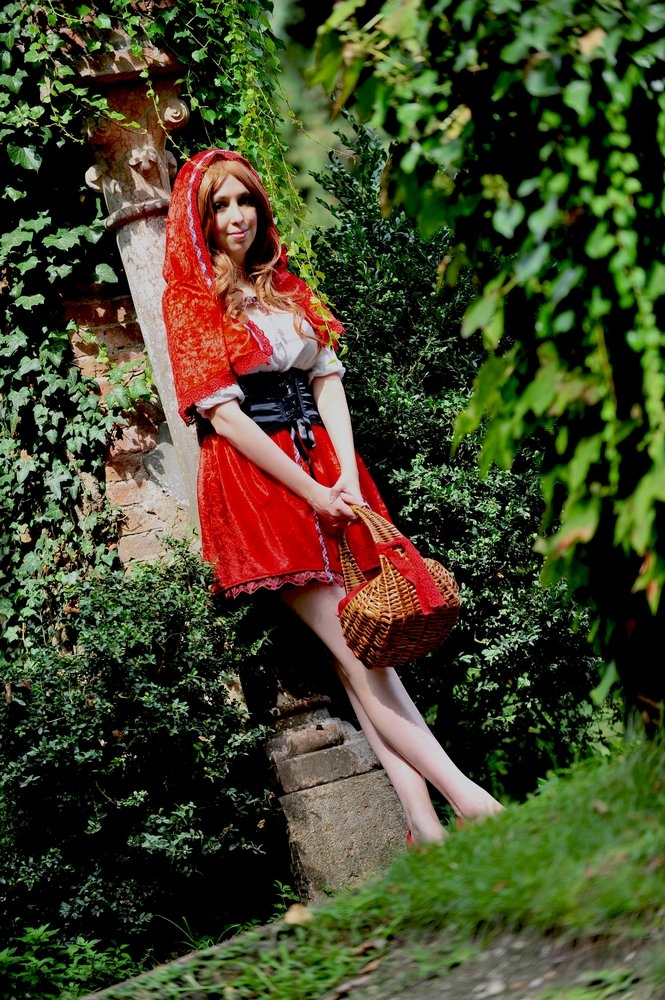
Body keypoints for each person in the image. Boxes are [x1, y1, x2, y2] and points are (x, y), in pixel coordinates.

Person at [162, 148, 503, 845]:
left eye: (245, 200)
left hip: (326, 466)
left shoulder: (285, 285)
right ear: (200, 219)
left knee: (363, 653)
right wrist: (312, 491)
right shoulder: (191, 301)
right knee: (358, 651)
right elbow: (225, 419)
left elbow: (327, 379)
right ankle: (469, 800)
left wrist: (343, 474)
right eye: (220, 206)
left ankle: (424, 827)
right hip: (259, 484)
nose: (236, 216)